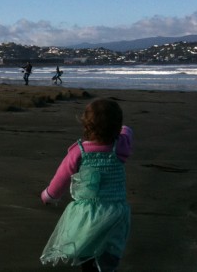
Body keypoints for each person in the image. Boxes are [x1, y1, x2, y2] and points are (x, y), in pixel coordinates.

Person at [40, 98, 133, 272]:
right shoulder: (120, 146)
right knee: (110, 254)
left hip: (88, 216)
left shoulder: (78, 152)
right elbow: (127, 131)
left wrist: (48, 195)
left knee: (87, 253)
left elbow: (61, 179)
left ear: (86, 125)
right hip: (115, 214)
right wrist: (119, 126)